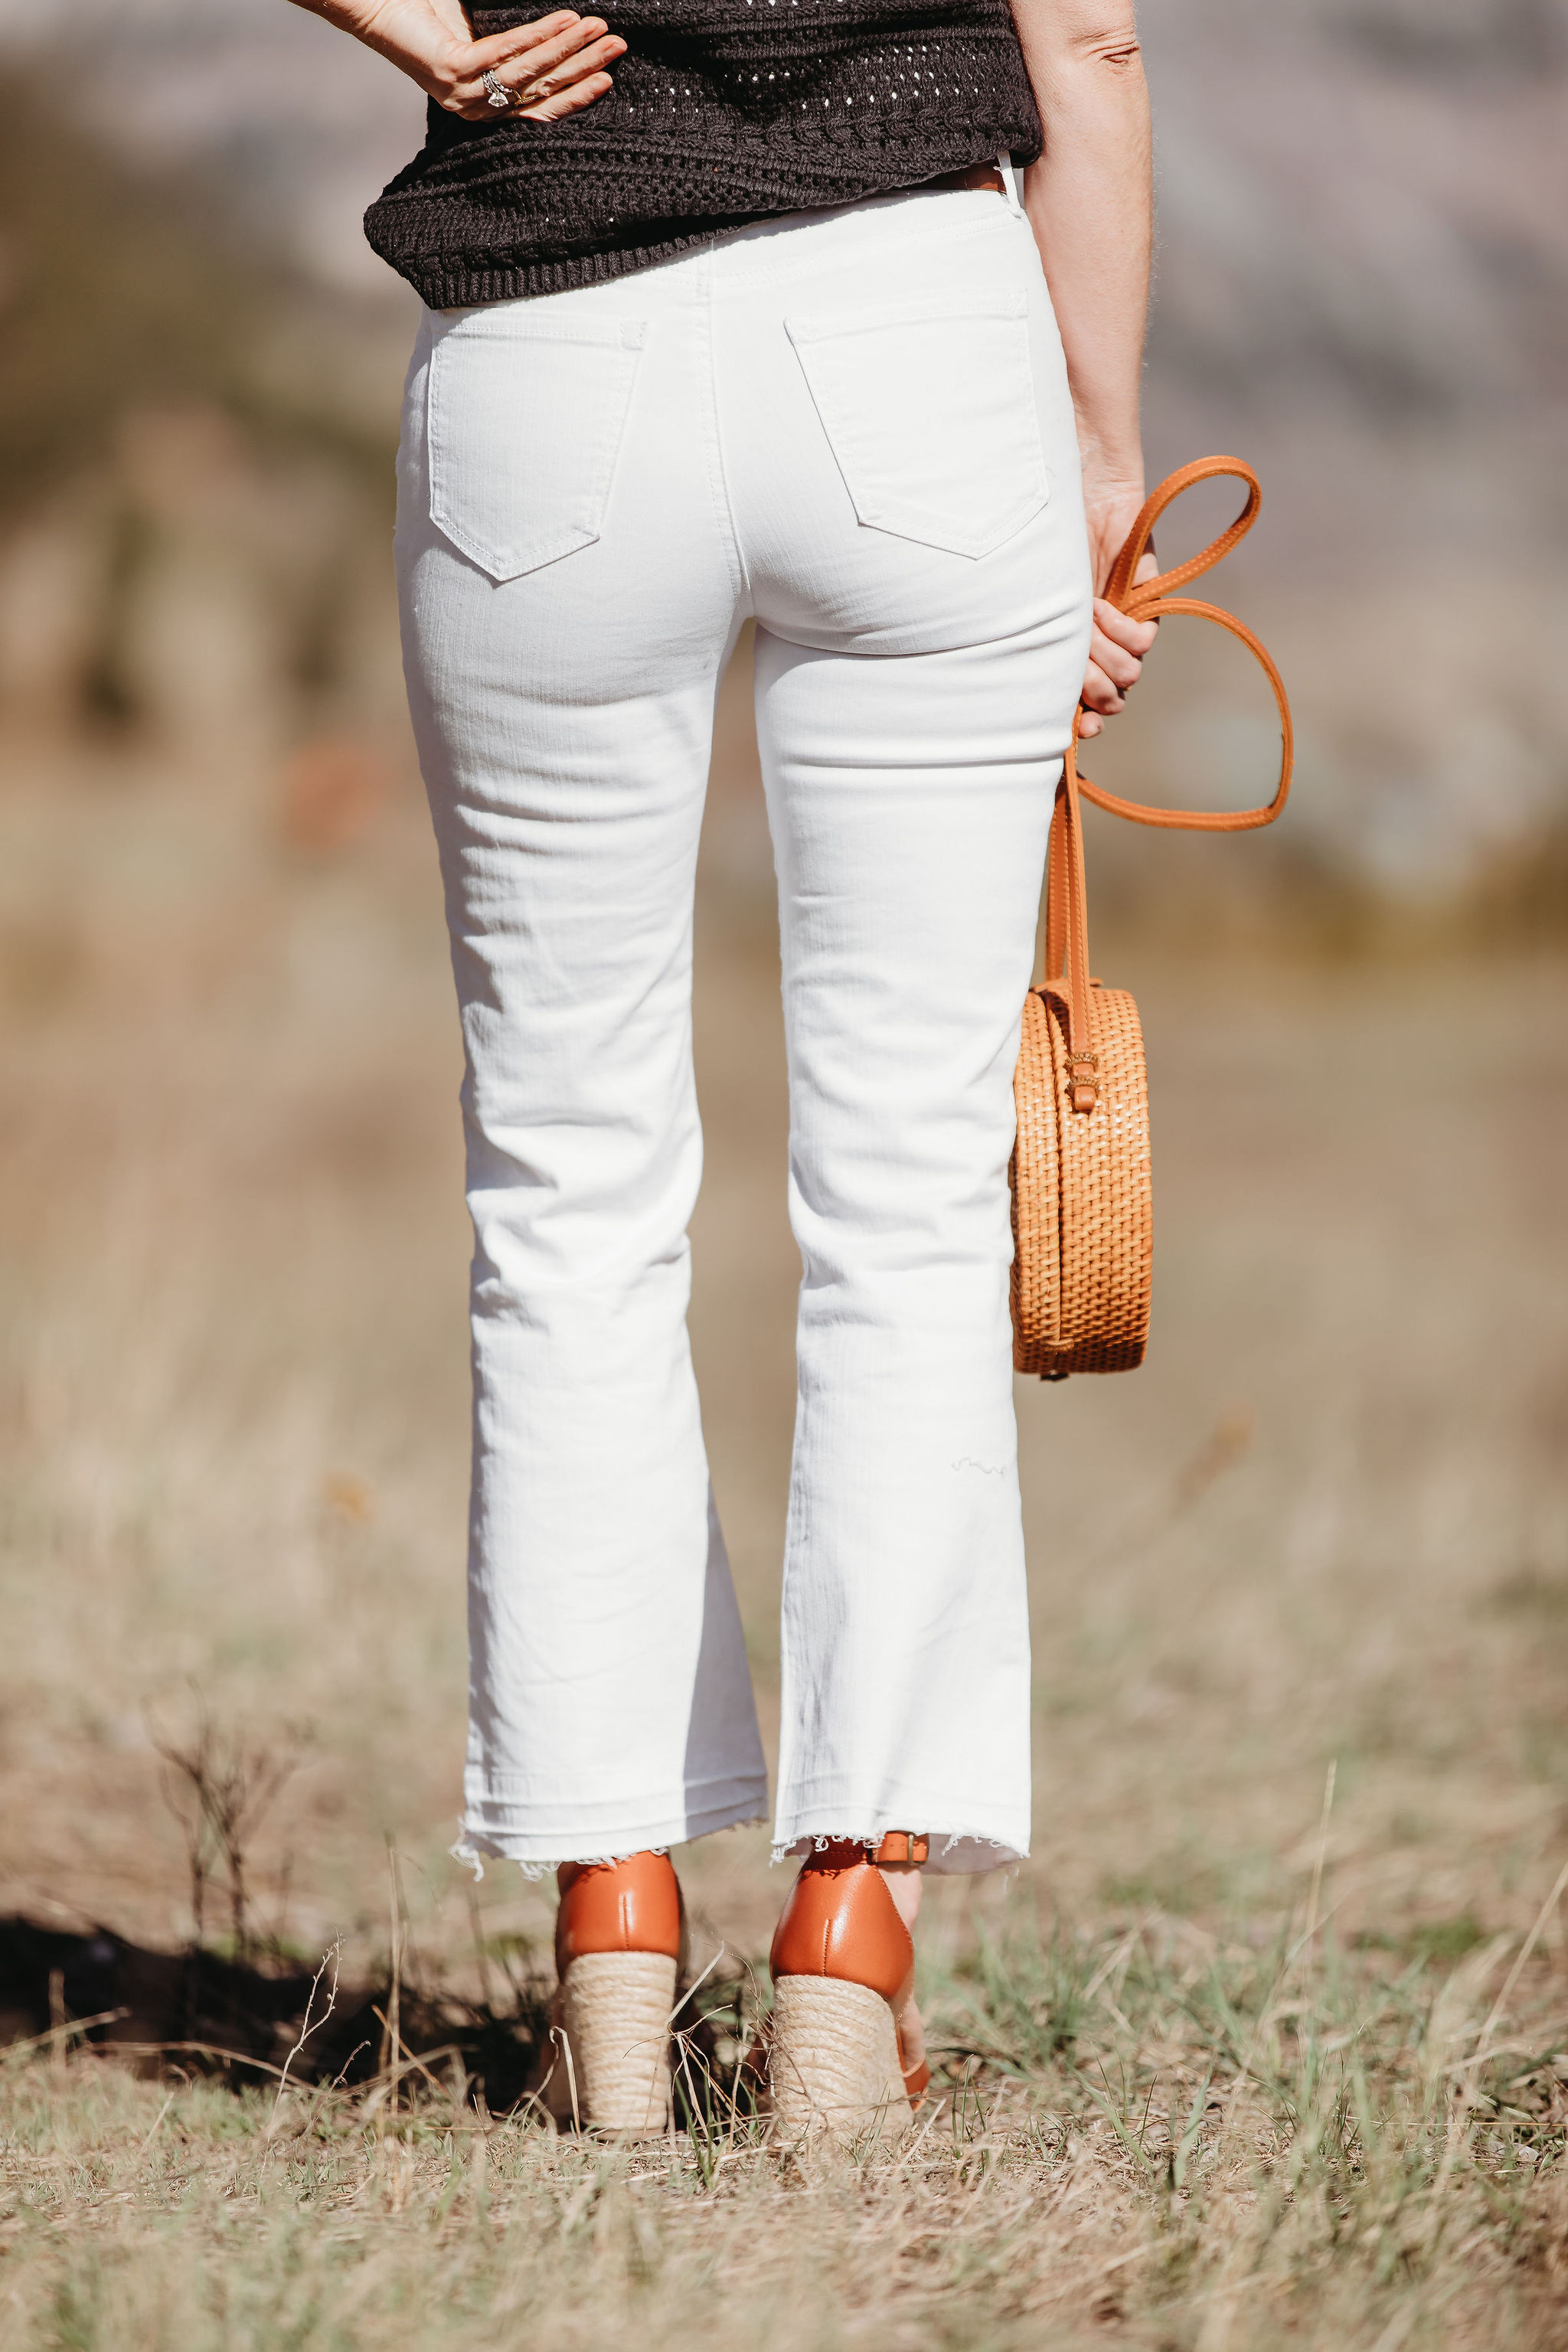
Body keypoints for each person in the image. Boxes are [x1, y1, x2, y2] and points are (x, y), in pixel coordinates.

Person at [290, 0, 1155, 2137]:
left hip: (552, 357)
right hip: (923, 351)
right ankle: (852, 1946)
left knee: (568, 1186)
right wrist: (1102, 448)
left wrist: (414, 25)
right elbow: (1096, 40)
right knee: (914, 1185)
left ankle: (610, 1943)